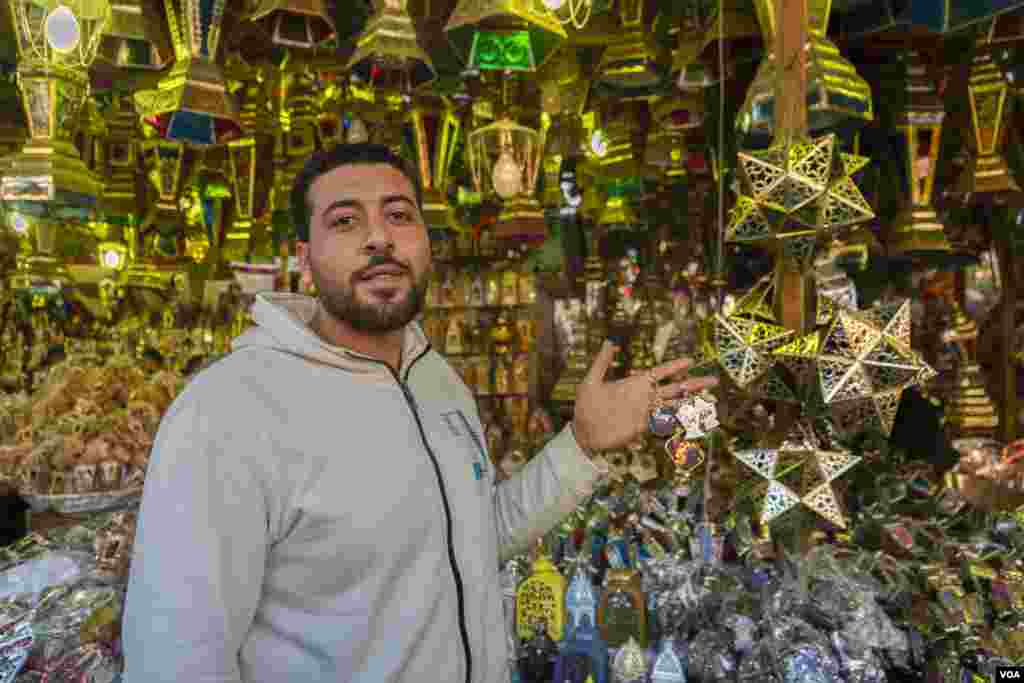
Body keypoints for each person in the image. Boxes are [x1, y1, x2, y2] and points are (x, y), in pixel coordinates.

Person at [122, 143, 716, 683]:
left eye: (399, 215)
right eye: (346, 220)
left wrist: (580, 445)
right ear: (304, 256)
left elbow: (472, 540)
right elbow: (175, 659)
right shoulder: (228, 413)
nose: (379, 237)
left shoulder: (436, 380)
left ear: (427, 241)